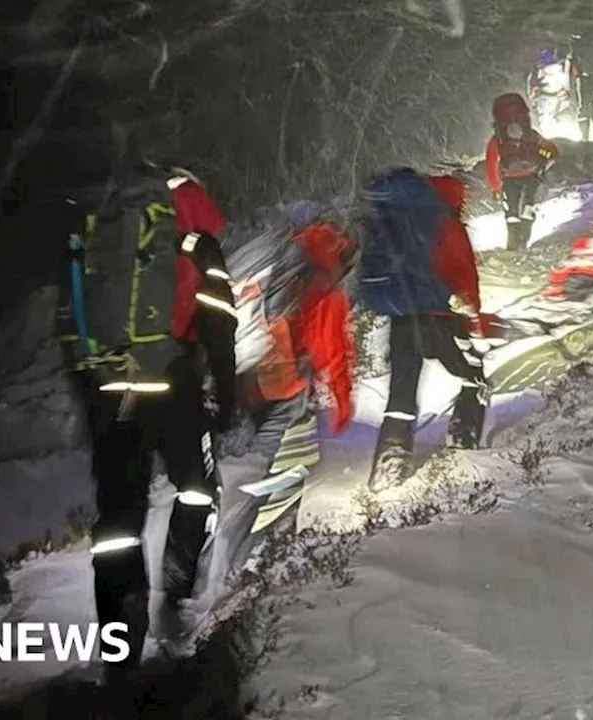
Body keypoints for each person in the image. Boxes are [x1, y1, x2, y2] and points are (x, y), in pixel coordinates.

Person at [58, 162, 238, 683]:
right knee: (197, 488)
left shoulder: (100, 228)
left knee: (116, 523)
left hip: (110, 387)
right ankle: (176, 595)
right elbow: (219, 322)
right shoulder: (196, 239)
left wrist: (89, 396)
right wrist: (224, 397)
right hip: (173, 381)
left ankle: (120, 643)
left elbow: (70, 319)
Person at [191, 201, 357, 613]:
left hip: (248, 381)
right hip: (286, 388)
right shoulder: (321, 283)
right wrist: (341, 400)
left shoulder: (277, 264)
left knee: (251, 468)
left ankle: (208, 548)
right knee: (280, 478)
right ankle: (242, 562)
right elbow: (331, 350)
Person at [358, 168, 493, 492]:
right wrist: (473, 317)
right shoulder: (445, 222)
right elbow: (464, 275)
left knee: (402, 391)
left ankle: (389, 467)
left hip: (402, 317)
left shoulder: (399, 219)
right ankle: (462, 444)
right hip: (439, 316)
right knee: (474, 375)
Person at [485, 93, 560, 252]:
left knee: (511, 213)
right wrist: (544, 159)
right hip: (532, 176)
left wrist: (495, 188)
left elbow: (492, 162)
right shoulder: (531, 135)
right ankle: (524, 242)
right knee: (528, 208)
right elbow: (551, 150)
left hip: (509, 179)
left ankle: (512, 247)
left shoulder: (498, 139)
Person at [566, 33, 593, 142]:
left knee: (583, 106)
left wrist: (567, 86)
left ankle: (585, 136)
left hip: (582, 79)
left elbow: (568, 69)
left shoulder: (574, 52)